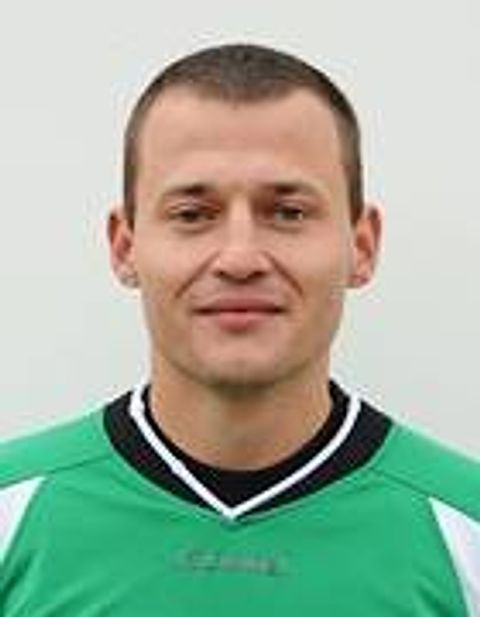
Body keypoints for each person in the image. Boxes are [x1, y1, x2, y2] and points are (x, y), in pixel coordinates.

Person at [0, 43, 479, 616]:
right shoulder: (11, 512)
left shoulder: (466, 527)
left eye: (289, 212)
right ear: (125, 247)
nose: (240, 258)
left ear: (362, 246)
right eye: (192, 215)